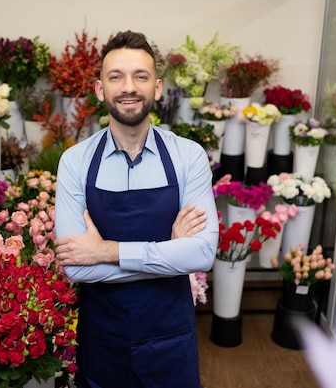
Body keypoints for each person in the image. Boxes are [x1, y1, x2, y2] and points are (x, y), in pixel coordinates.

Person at [54, 30, 219, 388]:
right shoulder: (75, 162)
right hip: (102, 341)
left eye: (140, 76)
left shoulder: (187, 156)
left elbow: (202, 254)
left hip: (171, 341)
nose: (129, 87)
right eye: (116, 77)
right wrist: (170, 256)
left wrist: (104, 252)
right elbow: (77, 270)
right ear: (100, 89)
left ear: (157, 88)